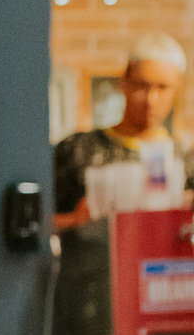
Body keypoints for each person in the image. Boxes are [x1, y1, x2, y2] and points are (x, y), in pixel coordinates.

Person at [53, 33, 194, 232]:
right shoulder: (77, 151)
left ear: (177, 90)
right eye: (142, 85)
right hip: (93, 261)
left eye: (162, 87)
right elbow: (36, 224)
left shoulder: (186, 162)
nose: (150, 99)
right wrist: (74, 221)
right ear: (123, 82)